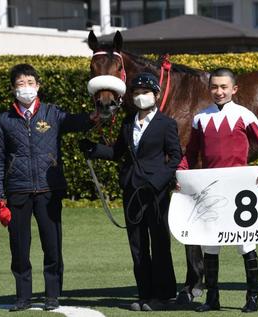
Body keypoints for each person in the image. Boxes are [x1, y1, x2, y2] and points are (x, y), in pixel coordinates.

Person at [0, 63, 99, 312]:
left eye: (30, 83)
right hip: (18, 191)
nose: (25, 88)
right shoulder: (3, 121)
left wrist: (95, 115)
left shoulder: (52, 114)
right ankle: (23, 297)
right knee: (19, 247)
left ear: (38, 86)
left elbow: (78, 122)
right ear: (12, 89)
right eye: (20, 84)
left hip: (49, 191)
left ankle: (52, 295)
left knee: (52, 245)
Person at [177, 68, 258, 313]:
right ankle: (213, 298)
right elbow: (190, 153)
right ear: (209, 89)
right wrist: (180, 174)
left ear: (234, 89)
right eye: (214, 87)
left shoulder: (245, 115)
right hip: (211, 190)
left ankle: (252, 298)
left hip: (239, 189)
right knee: (210, 247)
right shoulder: (200, 118)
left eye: (224, 87)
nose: (219, 91)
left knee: (246, 245)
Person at [79, 72, 182, 311]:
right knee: (137, 245)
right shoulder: (127, 122)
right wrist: (94, 149)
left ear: (156, 94)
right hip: (132, 190)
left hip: (155, 193)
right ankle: (144, 293)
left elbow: (175, 157)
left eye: (145, 93)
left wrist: (158, 182)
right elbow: (117, 153)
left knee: (159, 243)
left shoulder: (167, 124)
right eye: (136, 93)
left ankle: (165, 294)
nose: (140, 97)